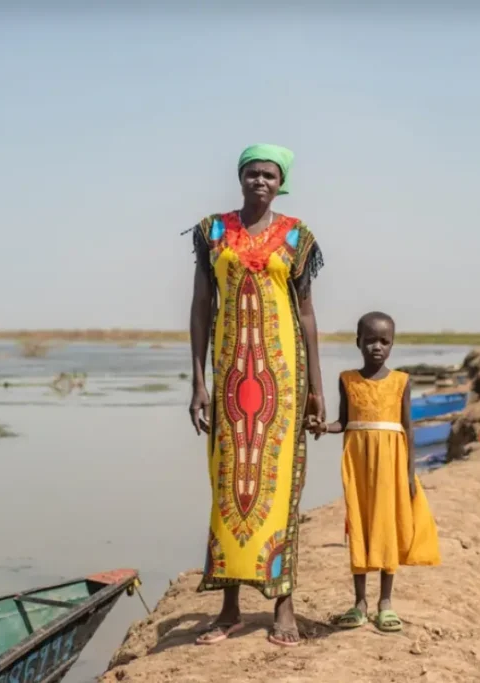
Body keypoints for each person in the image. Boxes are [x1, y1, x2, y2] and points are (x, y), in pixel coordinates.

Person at [187, 144, 326, 647]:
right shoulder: (213, 232)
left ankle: (283, 605)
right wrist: (199, 381)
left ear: (280, 181)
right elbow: (203, 305)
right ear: (240, 177)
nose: (260, 181)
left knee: (280, 489)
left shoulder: (296, 236)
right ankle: (228, 611)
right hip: (227, 380)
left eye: (269, 175)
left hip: (283, 383)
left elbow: (306, 314)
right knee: (228, 488)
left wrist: (316, 388)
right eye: (252, 173)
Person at [309, 312, 441, 633]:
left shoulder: (401, 382)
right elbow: (344, 421)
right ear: (358, 343)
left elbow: (407, 429)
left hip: (392, 466)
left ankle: (385, 603)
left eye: (384, 341)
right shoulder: (347, 380)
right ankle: (359, 603)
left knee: (387, 526)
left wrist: (409, 475)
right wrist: (323, 426)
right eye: (370, 340)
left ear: (392, 344)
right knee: (360, 524)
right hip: (357, 463)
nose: (376, 347)